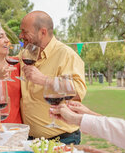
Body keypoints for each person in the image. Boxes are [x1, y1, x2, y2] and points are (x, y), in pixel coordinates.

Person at [18, 11, 87, 143]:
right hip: (30, 141)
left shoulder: (66, 55)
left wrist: (44, 80)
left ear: (42, 32)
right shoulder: (25, 54)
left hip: (62, 139)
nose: (21, 36)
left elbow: (78, 91)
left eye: (25, 31)